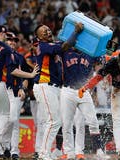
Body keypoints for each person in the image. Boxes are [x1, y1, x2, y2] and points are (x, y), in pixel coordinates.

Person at [0, 25, 39, 159]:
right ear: (3, 36)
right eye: (8, 37)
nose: (11, 41)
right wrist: (30, 75)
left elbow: (18, 75)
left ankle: (3, 150)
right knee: (2, 117)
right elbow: (13, 71)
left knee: (3, 120)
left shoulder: (17, 56)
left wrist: (22, 87)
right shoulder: (5, 50)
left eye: (14, 40)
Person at [32, 22, 83, 160]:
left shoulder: (51, 45)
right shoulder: (44, 46)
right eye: (43, 31)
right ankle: (43, 154)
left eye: (48, 29)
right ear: (38, 37)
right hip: (44, 85)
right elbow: (65, 46)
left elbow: (63, 45)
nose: (47, 32)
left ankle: (48, 152)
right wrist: (76, 32)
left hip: (52, 87)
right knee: (53, 121)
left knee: (55, 121)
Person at [59, 48, 110, 160]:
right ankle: (69, 152)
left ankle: (93, 151)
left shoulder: (90, 51)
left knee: (92, 122)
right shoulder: (65, 50)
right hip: (67, 90)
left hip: (84, 90)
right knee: (67, 124)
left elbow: (102, 64)